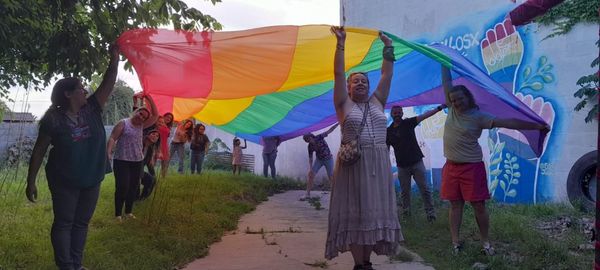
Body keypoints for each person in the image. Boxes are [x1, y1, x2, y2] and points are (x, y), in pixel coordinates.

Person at [25, 44, 120, 270]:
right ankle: (66, 266)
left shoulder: (92, 109)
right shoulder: (53, 119)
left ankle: (76, 265)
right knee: (64, 223)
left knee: (81, 223)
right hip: (64, 180)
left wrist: (114, 59)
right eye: (80, 88)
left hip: (91, 178)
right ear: (67, 94)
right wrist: (31, 180)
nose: (85, 91)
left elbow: (108, 83)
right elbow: (39, 150)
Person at [441, 65, 550, 255]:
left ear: (468, 97)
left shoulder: (479, 117)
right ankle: (455, 242)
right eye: (453, 100)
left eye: (460, 99)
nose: (456, 102)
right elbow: (446, 83)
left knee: (478, 205)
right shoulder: (451, 110)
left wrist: (535, 126)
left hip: (471, 168)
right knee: (455, 204)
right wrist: (443, 62)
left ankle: (485, 243)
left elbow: (509, 123)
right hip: (451, 166)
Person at [326, 26, 402, 270]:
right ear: (348, 88)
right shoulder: (343, 105)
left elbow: (386, 75)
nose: (360, 83)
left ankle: (366, 262)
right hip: (354, 166)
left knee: (372, 213)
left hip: (379, 164)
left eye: (363, 81)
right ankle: (360, 264)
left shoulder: (378, 101)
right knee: (357, 213)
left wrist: (388, 48)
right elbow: (338, 73)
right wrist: (341, 44)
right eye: (355, 81)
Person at [386, 105, 446, 221]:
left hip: (416, 162)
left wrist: (438, 109)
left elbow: (424, 116)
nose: (397, 114)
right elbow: (386, 149)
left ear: (402, 113)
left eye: (399, 112)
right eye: (395, 112)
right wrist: (384, 164)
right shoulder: (388, 131)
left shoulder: (408, 123)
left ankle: (431, 215)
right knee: (405, 193)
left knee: (425, 189)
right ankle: (407, 216)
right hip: (402, 166)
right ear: (391, 114)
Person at [107, 94, 158, 221]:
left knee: (134, 187)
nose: (141, 117)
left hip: (137, 161)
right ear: (136, 111)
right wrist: (108, 152)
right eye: (140, 113)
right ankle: (118, 214)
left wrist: (148, 97)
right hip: (122, 160)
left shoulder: (142, 126)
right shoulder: (123, 123)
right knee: (122, 186)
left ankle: (128, 212)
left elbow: (156, 115)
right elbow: (113, 137)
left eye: (144, 117)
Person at [301, 123, 338, 200]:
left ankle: (336, 194)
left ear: (311, 136)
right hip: (319, 160)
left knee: (331, 176)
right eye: (307, 141)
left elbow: (329, 131)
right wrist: (311, 169)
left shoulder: (319, 137)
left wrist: (338, 123)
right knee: (311, 175)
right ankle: (307, 194)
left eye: (309, 139)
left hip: (328, 159)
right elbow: (310, 158)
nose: (309, 141)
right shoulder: (310, 146)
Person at [139, 128, 160, 200]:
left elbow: (149, 164)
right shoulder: (139, 144)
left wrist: (153, 175)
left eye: (157, 136)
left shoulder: (150, 149)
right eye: (153, 134)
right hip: (131, 169)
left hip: (139, 171)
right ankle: (134, 198)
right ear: (148, 135)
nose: (155, 136)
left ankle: (142, 198)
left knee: (152, 180)